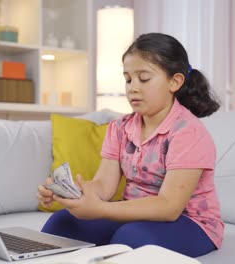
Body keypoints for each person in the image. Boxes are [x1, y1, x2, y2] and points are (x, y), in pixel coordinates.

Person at [37, 32, 223, 257]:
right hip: (137, 216)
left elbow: (169, 207)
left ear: (175, 81)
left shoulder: (188, 133)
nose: (133, 87)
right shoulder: (119, 128)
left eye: (144, 78)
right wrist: (69, 193)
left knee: (132, 238)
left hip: (191, 223)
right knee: (62, 222)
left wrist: (101, 210)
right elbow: (103, 186)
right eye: (128, 79)